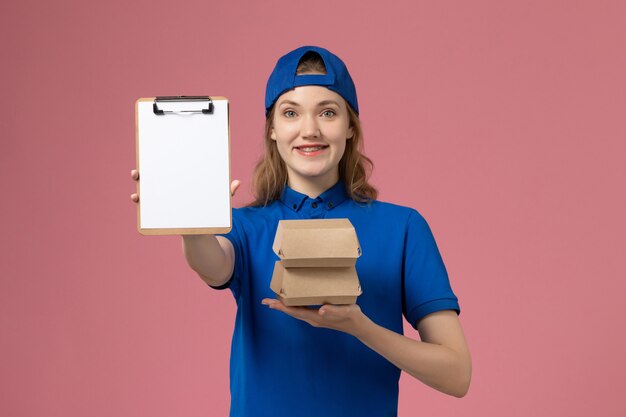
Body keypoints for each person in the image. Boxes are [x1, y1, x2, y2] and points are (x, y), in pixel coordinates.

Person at [131, 45, 471, 417]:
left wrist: (361, 327)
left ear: (350, 127)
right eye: (291, 113)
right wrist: (192, 224)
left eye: (328, 112)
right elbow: (212, 264)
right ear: (273, 130)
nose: (309, 130)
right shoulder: (244, 228)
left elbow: (456, 375)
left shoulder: (403, 228)